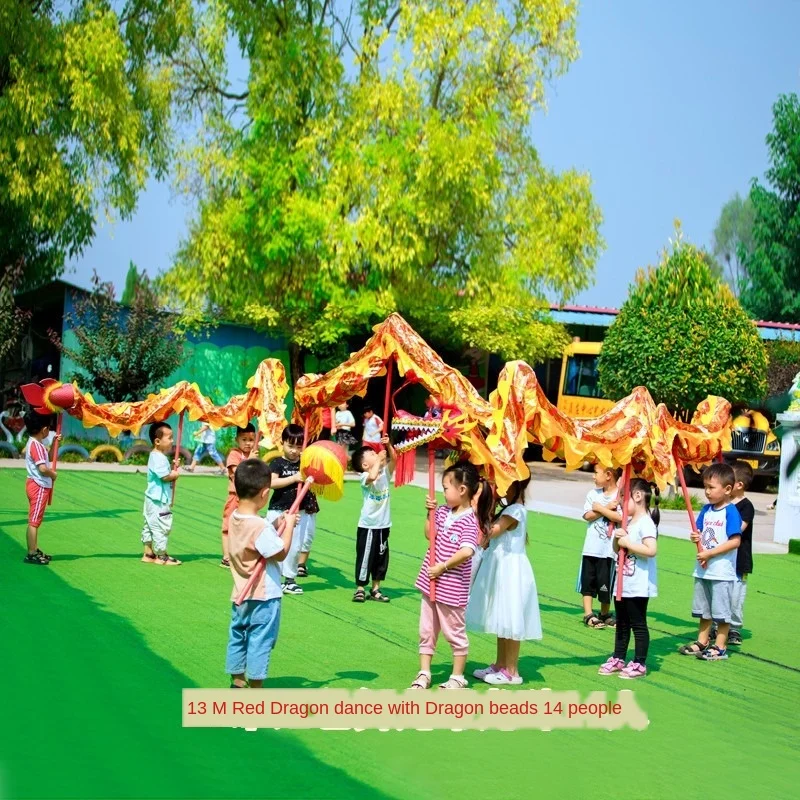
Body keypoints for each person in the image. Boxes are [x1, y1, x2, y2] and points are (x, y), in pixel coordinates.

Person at [410, 462, 492, 690]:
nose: (443, 492)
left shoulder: (469, 519)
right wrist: (430, 514)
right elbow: (430, 535)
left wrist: (443, 567)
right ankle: (424, 672)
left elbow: (467, 551)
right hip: (431, 583)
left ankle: (457, 676)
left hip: (451, 586)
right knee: (426, 630)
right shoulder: (443, 512)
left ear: (462, 490)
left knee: (453, 632)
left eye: (446, 488)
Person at [226, 458, 298, 688]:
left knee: (238, 635)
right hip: (263, 596)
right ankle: (256, 688)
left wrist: (280, 522)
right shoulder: (259, 527)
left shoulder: (236, 517)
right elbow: (280, 552)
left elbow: (261, 536)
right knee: (260, 641)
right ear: (265, 493)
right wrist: (289, 529)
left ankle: (237, 681)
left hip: (241, 593)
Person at [468, 477, 542, 685]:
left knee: (511, 618)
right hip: (501, 568)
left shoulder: (516, 510)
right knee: (502, 618)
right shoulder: (508, 508)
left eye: (503, 482)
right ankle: (501, 664)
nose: (498, 486)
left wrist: (479, 507)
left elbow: (492, 531)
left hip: (512, 570)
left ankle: (512, 670)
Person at [678, 462, 741, 661]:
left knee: (721, 612)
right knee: (704, 610)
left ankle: (720, 646)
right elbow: (699, 532)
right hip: (703, 570)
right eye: (705, 487)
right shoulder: (706, 510)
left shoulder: (730, 512)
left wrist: (710, 554)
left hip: (721, 571)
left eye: (711, 487)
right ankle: (702, 641)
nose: (706, 491)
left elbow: (735, 541)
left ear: (728, 489)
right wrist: (695, 537)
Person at [598, 478, 659, 679]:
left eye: (624, 497)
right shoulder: (629, 522)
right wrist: (618, 540)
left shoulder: (646, 523)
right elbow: (618, 550)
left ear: (638, 496)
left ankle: (640, 662)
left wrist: (628, 543)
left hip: (638, 585)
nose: (621, 502)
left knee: (638, 623)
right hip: (623, 583)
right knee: (622, 623)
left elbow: (651, 550)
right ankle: (618, 657)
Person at [266, 424, 318, 592]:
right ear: (283, 443)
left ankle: (290, 579)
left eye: (298, 446)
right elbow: (271, 483)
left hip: (298, 513)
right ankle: (269, 576)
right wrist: (294, 478)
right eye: (290, 446)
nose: (294, 451)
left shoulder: (305, 464)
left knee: (295, 546)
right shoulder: (277, 463)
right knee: (274, 543)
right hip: (279, 510)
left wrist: (309, 479)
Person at [351, 435, 397, 603]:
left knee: (381, 558)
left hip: (383, 525)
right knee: (365, 557)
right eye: (371, 454)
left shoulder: (385, 474)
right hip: (368, 526)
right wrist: (378, 458)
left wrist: (389, 445)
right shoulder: (364, 477)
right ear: (365, 465)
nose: (375, 454)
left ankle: (376, 588)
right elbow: (371, 477)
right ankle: (360, 588)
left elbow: (395, 459)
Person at [579, 464, 622, 628]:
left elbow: (619, 517)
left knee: (606, 584)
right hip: (591, 548)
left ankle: (604, 613)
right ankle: (588, 614)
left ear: (609, 475)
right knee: (588, 582)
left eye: (596, 473)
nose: (593, 476)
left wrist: (603, 509)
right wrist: (604, 508)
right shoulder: (593, 494)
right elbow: (588, 515)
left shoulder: (620, 496)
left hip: (608, 550)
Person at [141, 422, 182, 565]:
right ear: (157, 441)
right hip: (158, 500)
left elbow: (163, 472)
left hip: (152, 498)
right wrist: (174, 474)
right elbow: (164, 477)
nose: (172, 441)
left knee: (149, 524)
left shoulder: (157, 456)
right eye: (170, 438)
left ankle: (148, 552)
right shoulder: (158, 457)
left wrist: (172, 467)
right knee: (161, 525)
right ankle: (161, 555)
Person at [22, 411, 60, 565]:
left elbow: (49, 457)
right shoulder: (36, 445)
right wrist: (53, 474)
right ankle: (31, 553)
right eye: (48, 429)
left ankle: (34, 548)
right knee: (34, 521)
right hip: (38, 486)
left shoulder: (37, 444)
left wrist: (56, 444)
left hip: (37, 485)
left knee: (35, 520)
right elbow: (43, 468)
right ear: (43, 429)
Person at [220, 423, 257, 568]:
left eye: (251, 439)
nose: (248, 443)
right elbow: (239, 472)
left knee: (245, 528)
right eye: (244, 439)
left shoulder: (254, 455)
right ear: (237, 439)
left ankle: (241, 555)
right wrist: (250, 460)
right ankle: (226, 556)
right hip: (235, 497)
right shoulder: (234, 454)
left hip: (249, 499)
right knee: (228, 527)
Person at [729, 461, 755, 647]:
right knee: (721, 593)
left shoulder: (746, 507)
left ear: (739, 485)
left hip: (739, 560)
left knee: (736, 595)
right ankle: (717, 624)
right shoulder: (722, 504)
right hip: (721, 558)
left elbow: (737, 530)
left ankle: (734, 627)